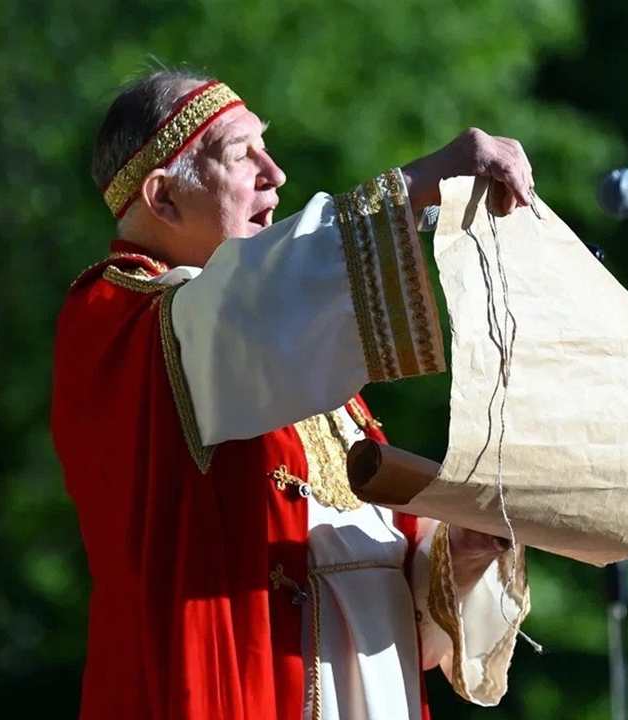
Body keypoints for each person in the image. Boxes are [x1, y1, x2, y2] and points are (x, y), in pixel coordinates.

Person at [50, 69, 536, 720]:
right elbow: (242, 306)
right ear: (163, 199)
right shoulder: (126, 322)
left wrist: (465, 552)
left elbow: (400, 602)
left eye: (266, 148)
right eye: (240, 154)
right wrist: (416, 186)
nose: (274, 174)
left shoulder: (294, 362)